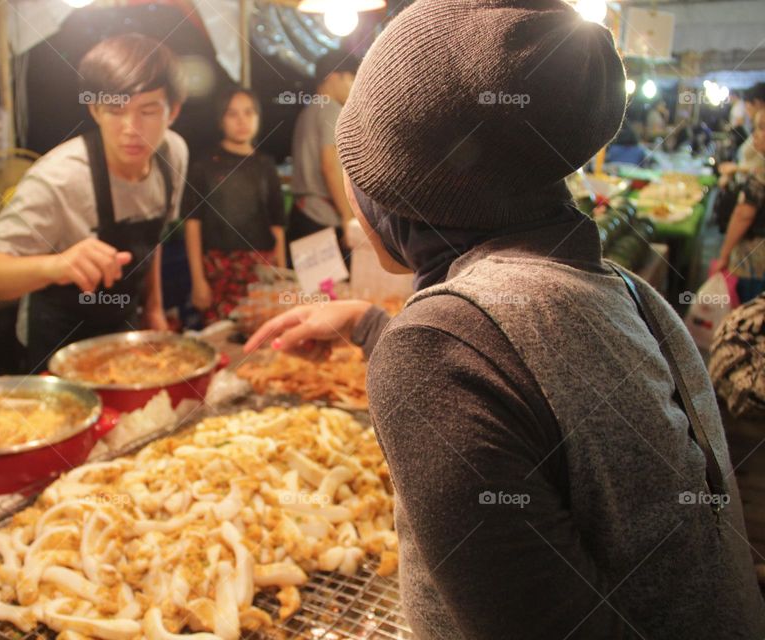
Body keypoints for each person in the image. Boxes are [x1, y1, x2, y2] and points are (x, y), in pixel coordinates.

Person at [245, 0, 765, 636]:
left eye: (356, 162)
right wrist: (369, 327)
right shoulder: (627, 293)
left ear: (396, 186)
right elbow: (518, 400)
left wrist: (408, 342)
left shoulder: (439, 350)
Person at [0, 34, 188, 367]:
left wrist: (153, 310)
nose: (131, 129)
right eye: (115, 110)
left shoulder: (173, 154)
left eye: (148, 111)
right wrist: (56, 265)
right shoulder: (60, 178)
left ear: (173, 112)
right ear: (95, 110)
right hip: (57, 343)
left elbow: (152, 243)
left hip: (124, 336)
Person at [183, 87, 286, 324]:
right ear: (221, 120)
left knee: (265, 336)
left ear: (258, 117)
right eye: (232, 114)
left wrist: (281, 273)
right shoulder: (203, 165)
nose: (242, 121)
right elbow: (192, 223)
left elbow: (277, 222)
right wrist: (197, 281)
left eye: (249, 113)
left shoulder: (266, 165)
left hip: (261, 267)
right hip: (218, 268)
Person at [287, 49, 359, 260]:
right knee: (332, 291)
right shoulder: (331, 110)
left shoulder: (307, 111)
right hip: (322, 218)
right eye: (351, 79)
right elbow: (329, 166)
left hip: (301, 214)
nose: (353, 87)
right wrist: (348, 218)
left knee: (308, 291)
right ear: (334, 77)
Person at [718, 109, 765, 302]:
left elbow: (743, 215)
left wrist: (724, 255)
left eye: (761, 128)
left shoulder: (761, 175)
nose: (755, 134)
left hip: (756, 262)